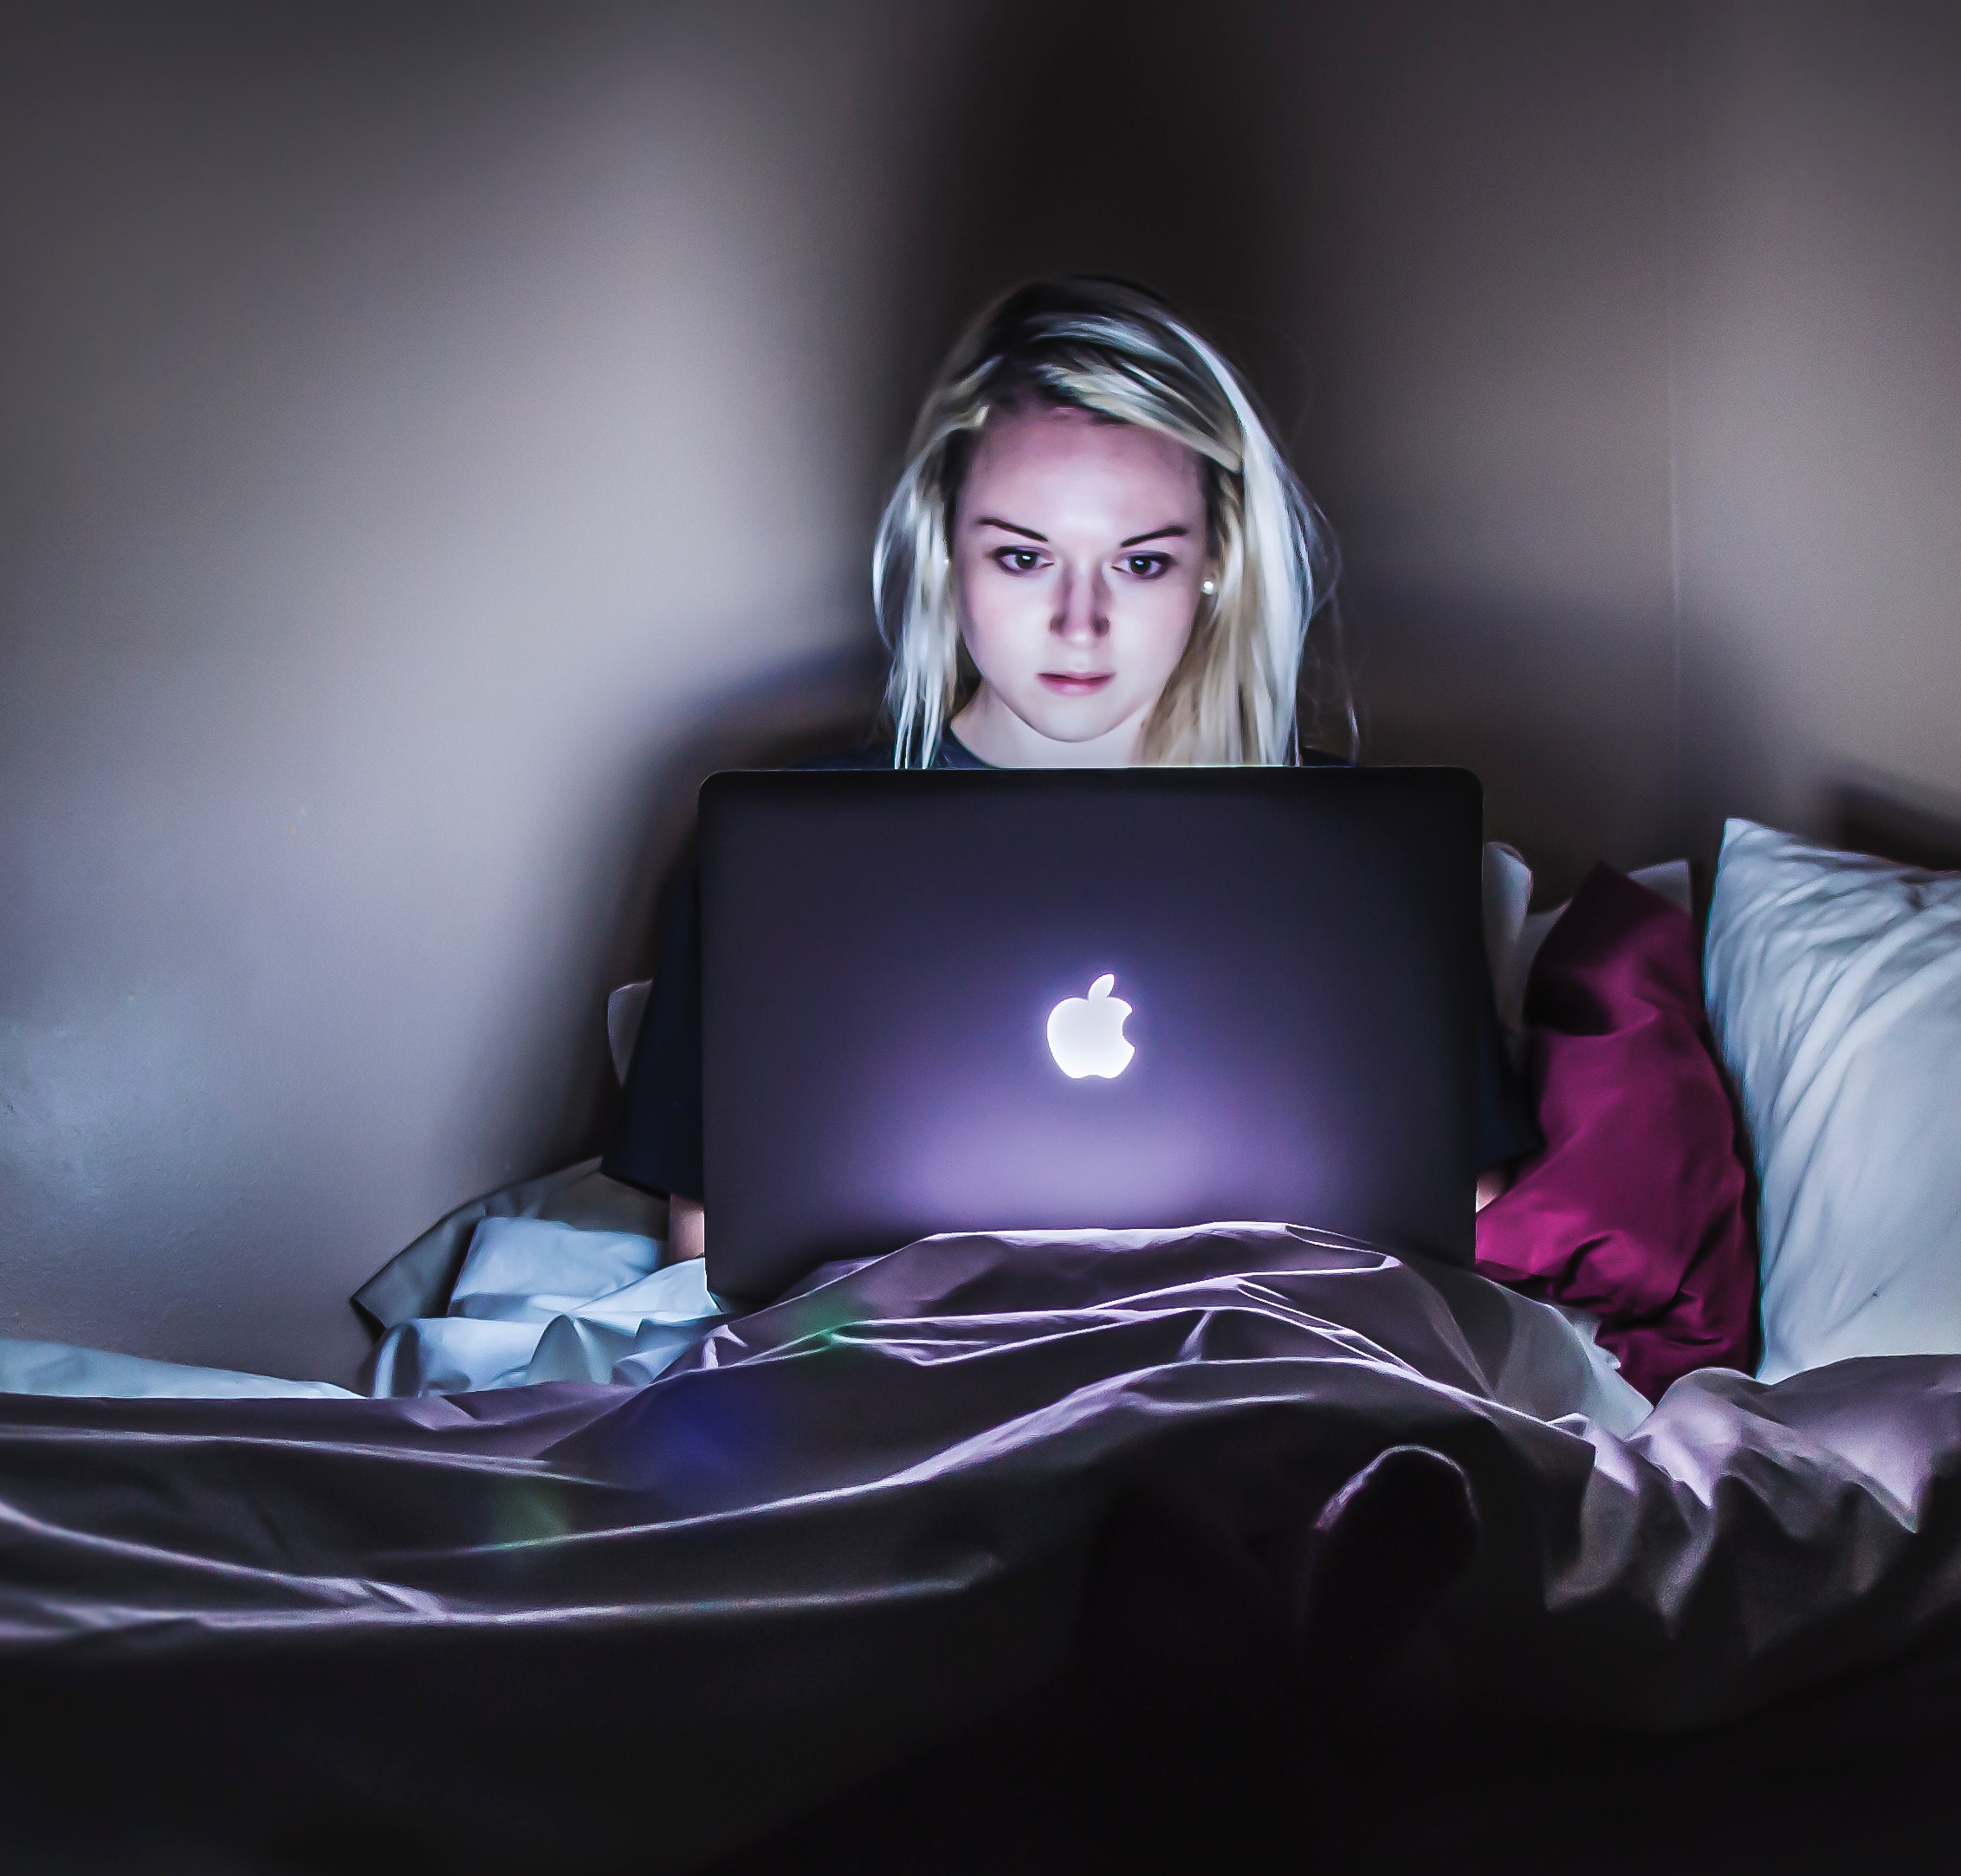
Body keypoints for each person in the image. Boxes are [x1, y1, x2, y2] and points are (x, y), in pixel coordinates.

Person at [605, 277, 1541, 1264]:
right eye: (1023, 558)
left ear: (1216, 561)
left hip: (1247, 1347)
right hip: (908, 1362)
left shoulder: (1354, 849)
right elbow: (710, 1233)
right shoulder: (783, 853)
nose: (1079, 623)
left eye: (1140, 563)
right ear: (944, 546)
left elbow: (1459, 1200)